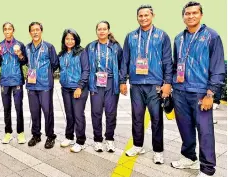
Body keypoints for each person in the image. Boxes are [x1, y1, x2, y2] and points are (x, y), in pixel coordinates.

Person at [170, 2, 225, 177]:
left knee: (205, 130)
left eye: (195, 13)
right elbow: (175, 64)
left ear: (201, 15)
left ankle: (208, 169)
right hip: (180, 90)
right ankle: (189, 157)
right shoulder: (178, 38)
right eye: (187, 13)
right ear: (183, 16)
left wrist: (211, 93)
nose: (191, 16)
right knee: (184, 127)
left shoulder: (212, 36)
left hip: (201, 92)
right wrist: (172, 84)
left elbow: (218, 67)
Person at [120, 5, 172, 164]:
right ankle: (137, 145)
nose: (143, 18)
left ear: (152, 16)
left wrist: (168, 82)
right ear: (137, 17)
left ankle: (158, 151)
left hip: (155, 84)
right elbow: (125, 60)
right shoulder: (130, 36)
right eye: (140, 16)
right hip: (136, 84)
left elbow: (167, 61)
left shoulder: (162, 36)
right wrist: (123, 80)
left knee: (156, 118)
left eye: (146, 15)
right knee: (137, 117)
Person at [85, 21, 123, 153]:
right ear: (96, 31)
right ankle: (97, 140)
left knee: (111, 113)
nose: (101, 31)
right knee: (96, 112)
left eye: (104, 29)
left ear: (108, 31)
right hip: (96, 82)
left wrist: (122, 82)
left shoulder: (116, 46)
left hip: (111, 82)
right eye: (99, 29)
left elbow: (122, 64)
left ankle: (110, 139)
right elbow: (85, 65)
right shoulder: (90, 47)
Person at [25, 22, 59, 149]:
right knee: (34, 111)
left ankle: (50, 136)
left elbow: (55, 63)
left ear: (41, 31)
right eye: (32, 30)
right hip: (31, 85)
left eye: (37, 30)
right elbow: (24, 61)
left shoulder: (49, 47)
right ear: (29, 33)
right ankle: (36, 135)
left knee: (47, 111)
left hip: (45, 85)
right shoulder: (27, 47)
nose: (35, 32)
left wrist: (45, 74)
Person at [0, 22, 28, 144]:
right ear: (3, 31)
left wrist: (19, 54)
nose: (7, 31)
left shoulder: (20, 44)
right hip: (4, 81)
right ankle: (8, 133)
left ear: (13, 30)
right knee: (6, 108)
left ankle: (20, 133)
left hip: (17, 79)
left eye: (9, 29)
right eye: (5, 29)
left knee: (19, 108)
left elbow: (25, 61)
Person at [58, 28, 89, 153]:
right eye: (67, 38)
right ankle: (69, 137)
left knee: (78, 115)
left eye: (72, 39)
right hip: (65, 88)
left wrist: (79, 87)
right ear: (64, 40)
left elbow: (86, 70)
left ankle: (80, 141)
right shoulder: (62, 54)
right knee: (69, 114)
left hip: (78, 89)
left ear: (76, 40)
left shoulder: (82, 53)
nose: (70, 41)